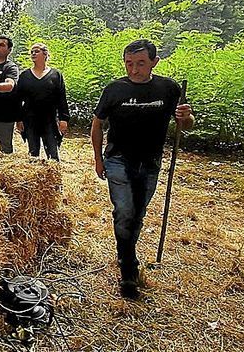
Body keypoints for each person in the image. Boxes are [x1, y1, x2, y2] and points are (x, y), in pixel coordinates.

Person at [91, 39, 194, 300]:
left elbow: (187, 126)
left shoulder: (168, 89)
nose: (134, 69)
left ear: (154, 62)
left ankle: (126, 250)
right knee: (124, 211)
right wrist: (98, 159)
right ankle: (128, 270)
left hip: (150, 162)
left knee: (137, 213)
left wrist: (186, 117)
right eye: (129, 63)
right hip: (118, 159)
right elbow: (97, 124)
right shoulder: (114, 89)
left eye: (140, 63)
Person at [14, 42, 69, 160]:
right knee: (33, 153)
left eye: (36, 51)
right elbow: (18, 99)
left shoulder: (56, 75)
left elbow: (61, 98)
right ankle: (33, 177)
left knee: (53, 154)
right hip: (30, 119)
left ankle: (54, 176)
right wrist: (18, 119)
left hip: (49, 119)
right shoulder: (24, 75)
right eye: (31, 52)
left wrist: (63, 119)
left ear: (45, 54)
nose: (33, 54)